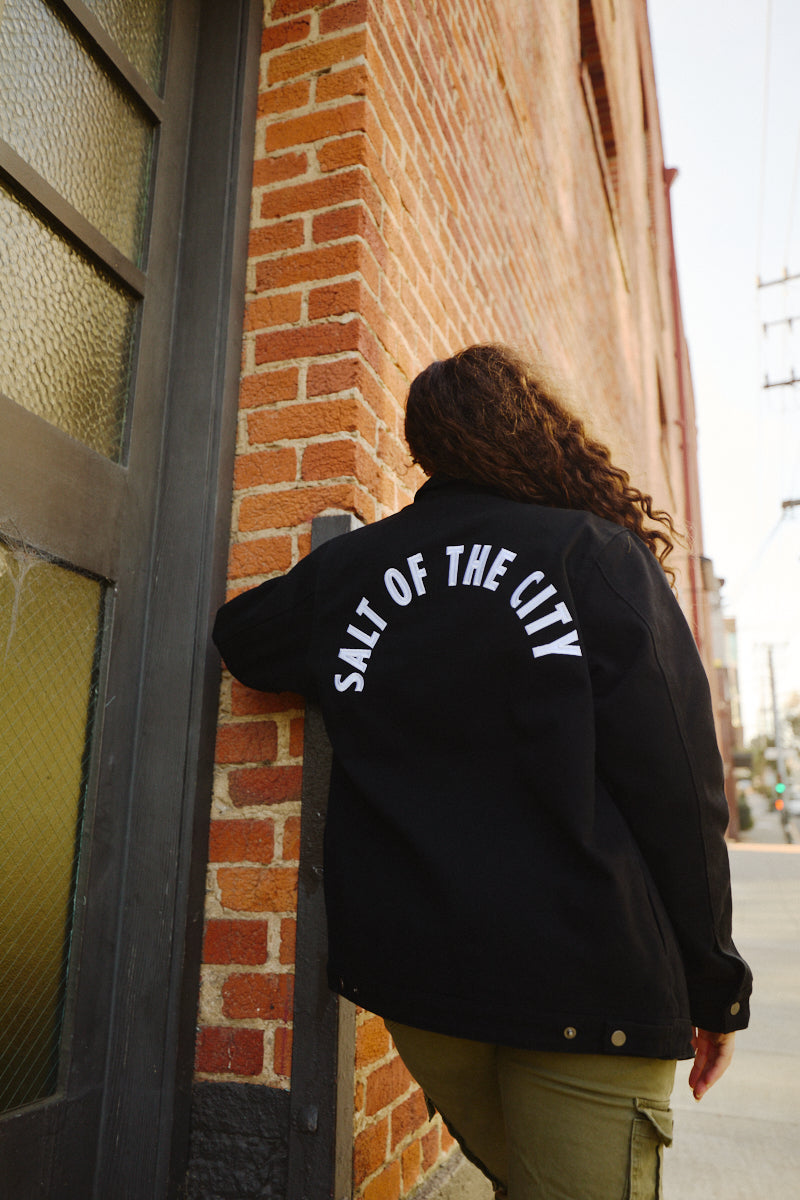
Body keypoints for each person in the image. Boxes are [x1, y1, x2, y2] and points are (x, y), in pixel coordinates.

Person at [213, 344, 752, 1200]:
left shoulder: (356, 573)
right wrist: (716, 987)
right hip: (587, 989)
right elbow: (680, 793)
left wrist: (373, 602)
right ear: (536, 430)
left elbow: (242, 636)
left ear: (422, 450)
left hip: (422, 988)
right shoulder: (596, 557)